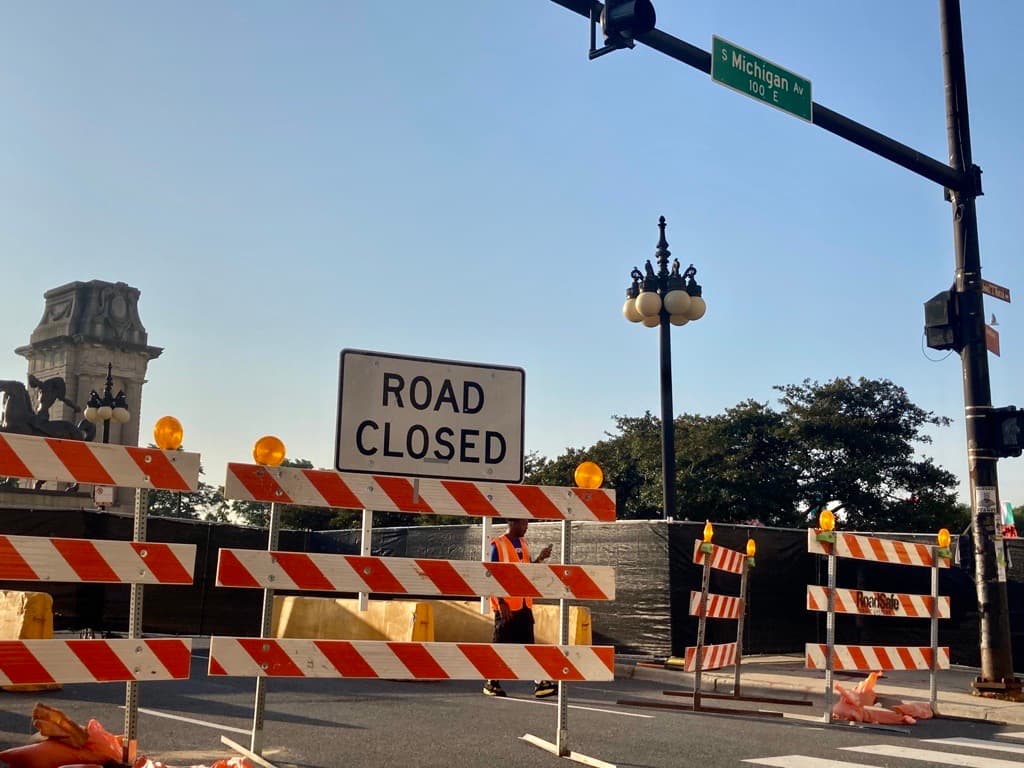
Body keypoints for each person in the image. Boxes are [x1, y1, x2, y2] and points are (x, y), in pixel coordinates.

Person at [483, 518, 557, 698]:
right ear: (512, 523)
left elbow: (527, 571)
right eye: (523, 524)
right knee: (501, 647)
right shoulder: (498, 545)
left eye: (527, 524)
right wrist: (500, 602)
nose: (526, 527)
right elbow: (491, 575)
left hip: (524, 604)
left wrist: (540, 558)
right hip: (507, 608)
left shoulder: (523, 544)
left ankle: (540, 683)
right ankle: (491, 683)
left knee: (529, 646)